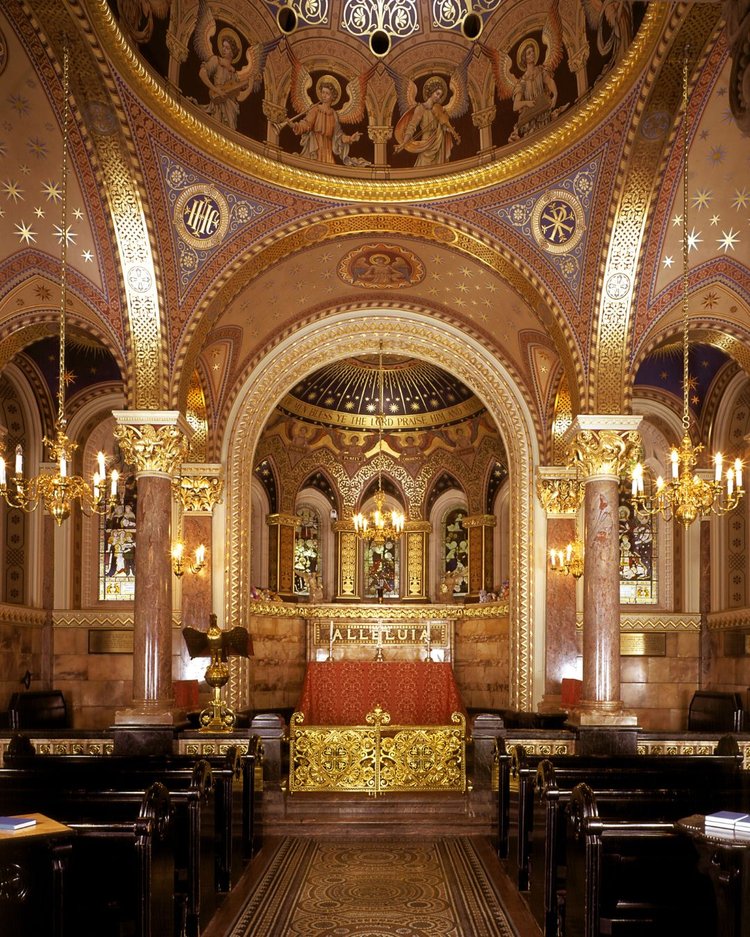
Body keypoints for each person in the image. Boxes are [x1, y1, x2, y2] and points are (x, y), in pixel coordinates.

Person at [291, 77, 362, 165]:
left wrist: (350, 138)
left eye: (327, 93)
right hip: (314, 149)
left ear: (333, 96)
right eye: (323, 92)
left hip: (327, 152)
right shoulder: (315, 109)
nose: (324, 95)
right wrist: (295, 126)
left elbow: (338, 136)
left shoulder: (334, 115)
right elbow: (306, 124)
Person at [395, 76, 460, 167]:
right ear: (431, 92)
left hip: (439, 143)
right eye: (437, 94)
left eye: (440, 95)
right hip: (426, 143)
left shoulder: (439, 109)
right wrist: (403, 143)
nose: (438, 97)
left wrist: (449, 130)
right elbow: (411, 127)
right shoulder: (420, 108)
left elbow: (443, 124)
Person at [510, 39, 558, 141]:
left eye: (532, 51)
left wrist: (555, 95)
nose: (532, 54)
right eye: (529, 53)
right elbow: (515, 106)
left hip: (544, 115)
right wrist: (527, 103)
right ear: (524, 58)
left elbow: (549, 82)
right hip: (531, 122)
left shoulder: (540, 71)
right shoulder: (522, 82)